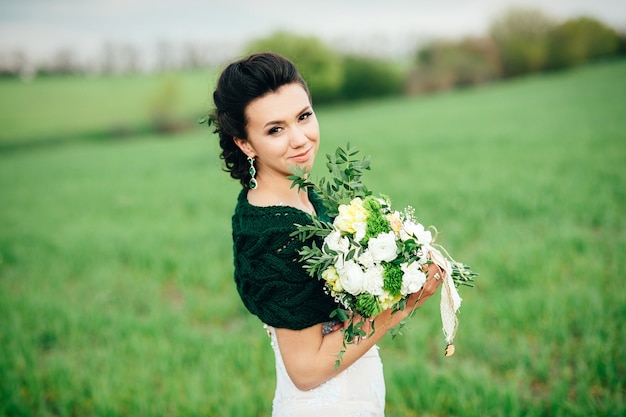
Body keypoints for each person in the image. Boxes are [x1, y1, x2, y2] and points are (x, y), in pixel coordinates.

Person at [209, 52, 443, 416]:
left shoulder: (305, 193)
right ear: (245, 143)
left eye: (304, 116)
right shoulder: (272, 234)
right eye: (275, 129)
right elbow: (305, 371)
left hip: (357, 393)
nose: (300, 139)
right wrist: (404, 301)